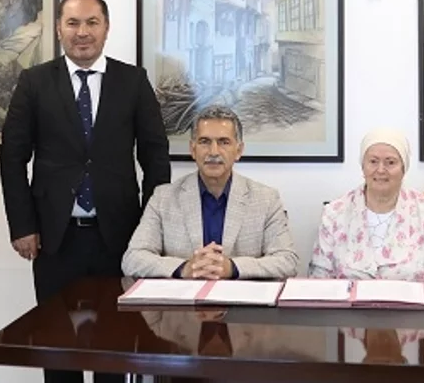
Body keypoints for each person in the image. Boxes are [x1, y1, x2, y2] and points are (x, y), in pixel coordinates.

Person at [0, 0, 171, 383]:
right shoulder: (35, 82)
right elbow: (12, 158)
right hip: (53, 240)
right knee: (58, 349)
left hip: (119, 239)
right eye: (73, 23)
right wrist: (23, 226)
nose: (82, 32)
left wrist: (151, 230)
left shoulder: (133, 81)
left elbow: (155, 157)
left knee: (114, 348)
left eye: (92, 22)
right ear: (59, 28)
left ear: (106, 28)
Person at [122, 105, 299, 280]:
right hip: (185, 297)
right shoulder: (163, 198)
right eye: (204, 142)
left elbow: (287, 260)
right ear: (193, 149)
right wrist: (185, 268)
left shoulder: (266, 199)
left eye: (224, 142)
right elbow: (133, 259)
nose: (213, 152)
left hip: (239, 297)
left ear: (238, 150)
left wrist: (233, 268)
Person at [309, 127, 424, 283]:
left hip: (413, 300)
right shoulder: (335, 214)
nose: (381, 170)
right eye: (373, 161)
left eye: (390, 162)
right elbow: (319, 278)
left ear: (404, 168)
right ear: (363, 166)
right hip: (349, 300)